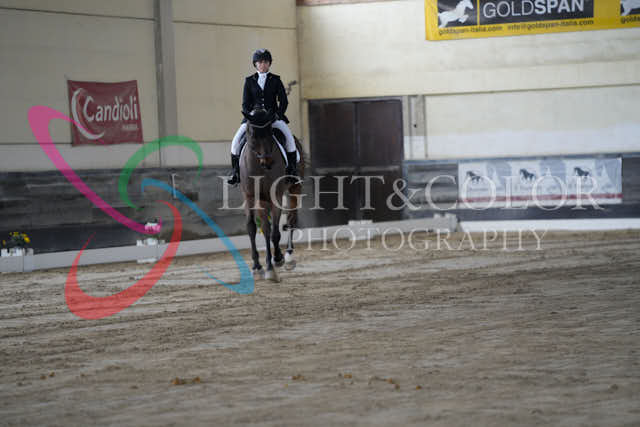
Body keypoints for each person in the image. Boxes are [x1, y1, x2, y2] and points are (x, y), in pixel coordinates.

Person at [228, 49, 298, 185]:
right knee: (235, 141)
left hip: (272, 117)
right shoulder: (249, 81)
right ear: (255, 64)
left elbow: (283, 101)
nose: (262, 64)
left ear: (269, 63)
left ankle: (292, 170)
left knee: (289, 139)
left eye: (265, 62)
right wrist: (250, 117)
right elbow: (245, 104)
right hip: (254, 119)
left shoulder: (276, 80)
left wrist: (277, 115)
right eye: (259, 62)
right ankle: (235, 172)